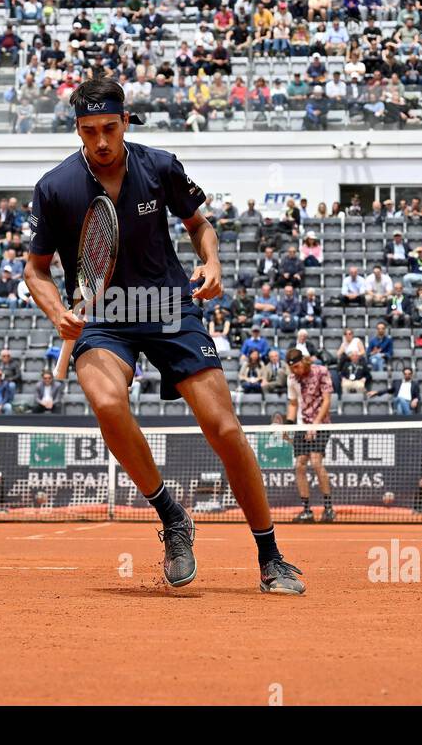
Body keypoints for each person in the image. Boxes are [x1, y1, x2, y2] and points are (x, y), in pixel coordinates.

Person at [23, 77, 304, 594]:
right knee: (107, 404)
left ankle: (270, 555)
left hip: (170, 306)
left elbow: (199, 225)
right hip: (103, 315)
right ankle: (173, 518)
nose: (101, 142)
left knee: (222, 427)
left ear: (126, 121)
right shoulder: (55, 188)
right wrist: (55, 310)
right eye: (89, 132)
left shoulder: (160, 166)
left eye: (109, 128)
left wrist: (212, 260)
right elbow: (35, 269)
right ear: (77, 132)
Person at [285, 348, 335, 523]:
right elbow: (293, 403)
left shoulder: (321, 371)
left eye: (297, 367)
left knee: (315, 461)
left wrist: (315, 424)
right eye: (293, 368)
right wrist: (288, 425)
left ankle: (329, 509)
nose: (296, 371)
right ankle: (307, 510)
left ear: (304, 362)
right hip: (301, 424)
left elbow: (327, 400)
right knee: (299, 465)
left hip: (321, 424)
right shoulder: (291, 378)